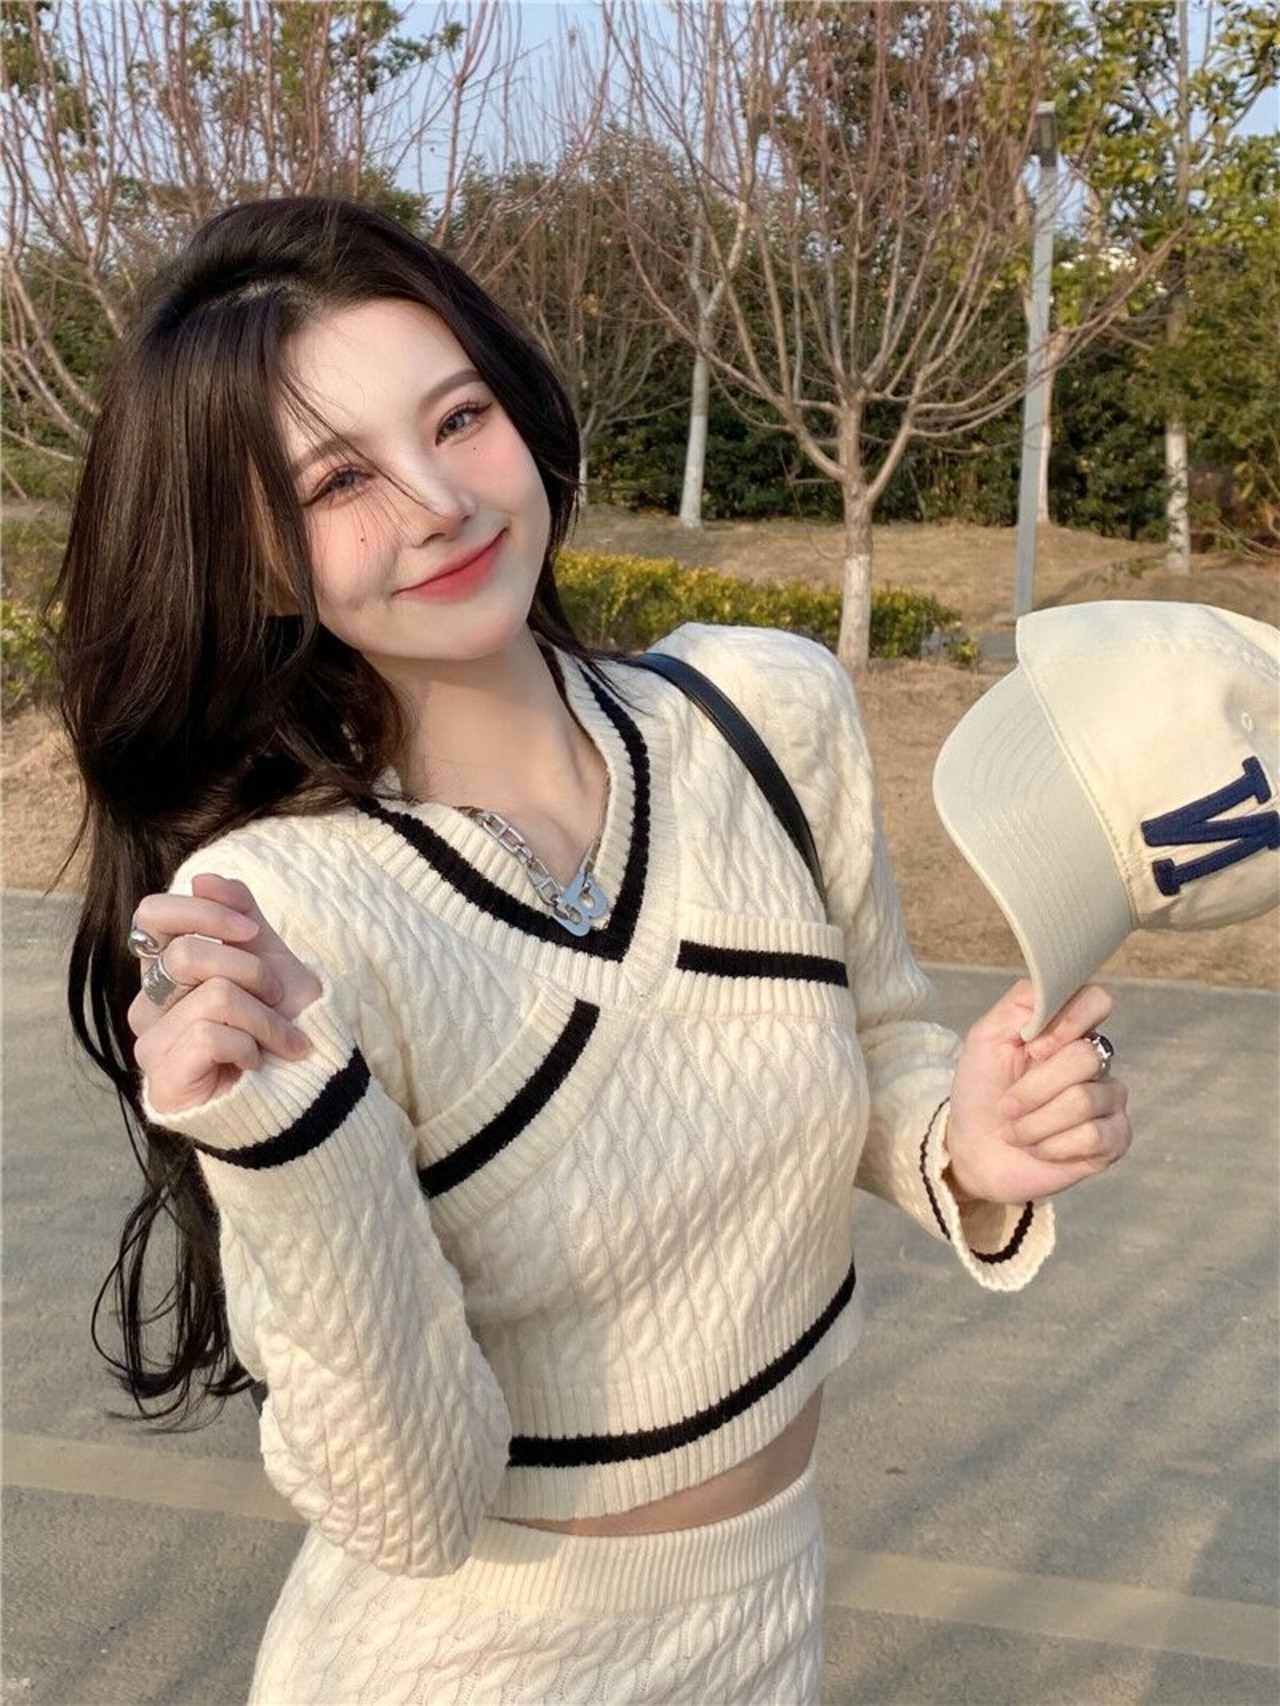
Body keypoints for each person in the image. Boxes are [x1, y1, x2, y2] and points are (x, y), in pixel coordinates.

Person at [57, 196, 1131, 1706]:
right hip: (465, 1664)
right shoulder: (288, 915)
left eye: (460, 417)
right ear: (257, 563)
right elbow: (411, 1512)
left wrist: (963, 1135)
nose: (440, 500)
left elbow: (877, 1038)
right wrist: (284, 1133)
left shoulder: (766, 715)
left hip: (768, 1614)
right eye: (340, 480)